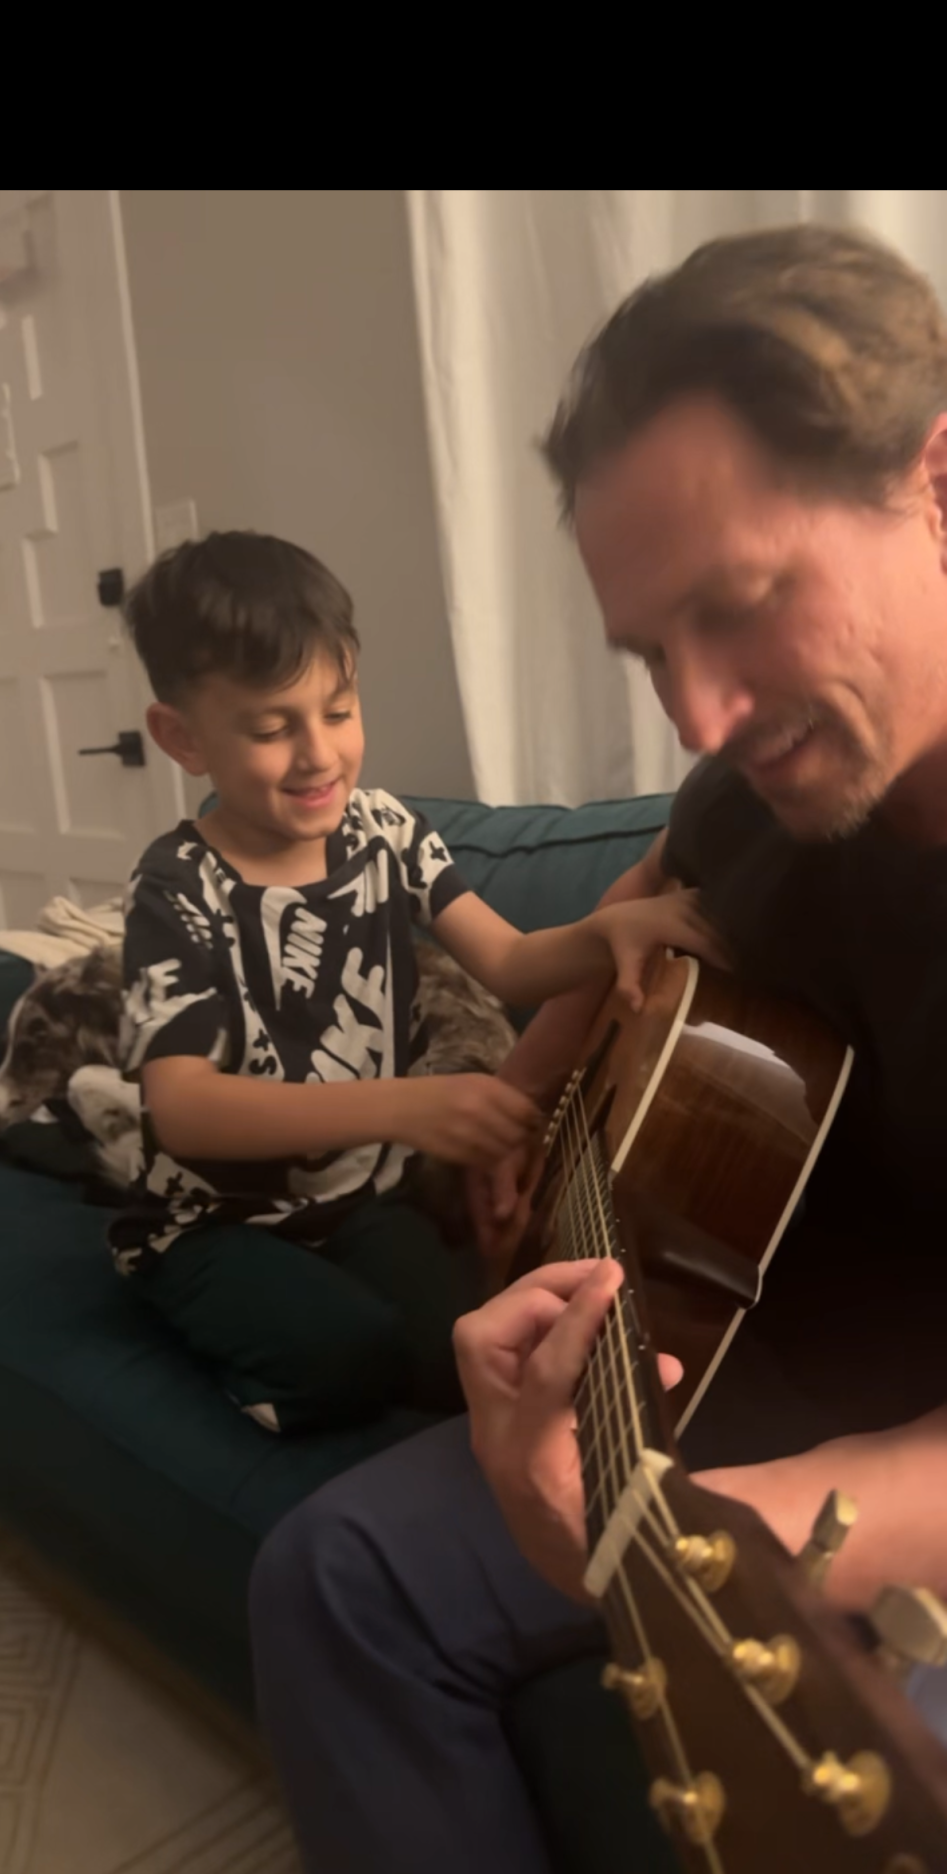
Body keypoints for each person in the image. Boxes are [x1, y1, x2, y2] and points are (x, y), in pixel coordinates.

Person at [249, 223, 947, 1874]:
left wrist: (714, 1541)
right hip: (727, 1335)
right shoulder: (751, 795)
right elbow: (646, 901)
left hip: (888, 1447)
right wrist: (533, 1109)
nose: (699, 719)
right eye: (651, 656)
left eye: (741, 606)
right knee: (333, 1574)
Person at [111, 533, 714, 1431]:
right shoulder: (176, 886)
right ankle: (224, 1344)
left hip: (364, 1201)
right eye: (275, 728)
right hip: (213, 1224)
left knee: (471, 1349)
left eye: (340, 709)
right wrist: (408, 1106)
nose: (320, 754)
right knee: (347, 1355)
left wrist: (610, 930)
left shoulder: (386, 831)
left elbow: (510, 960)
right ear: (182, 738)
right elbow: (184, 1106)